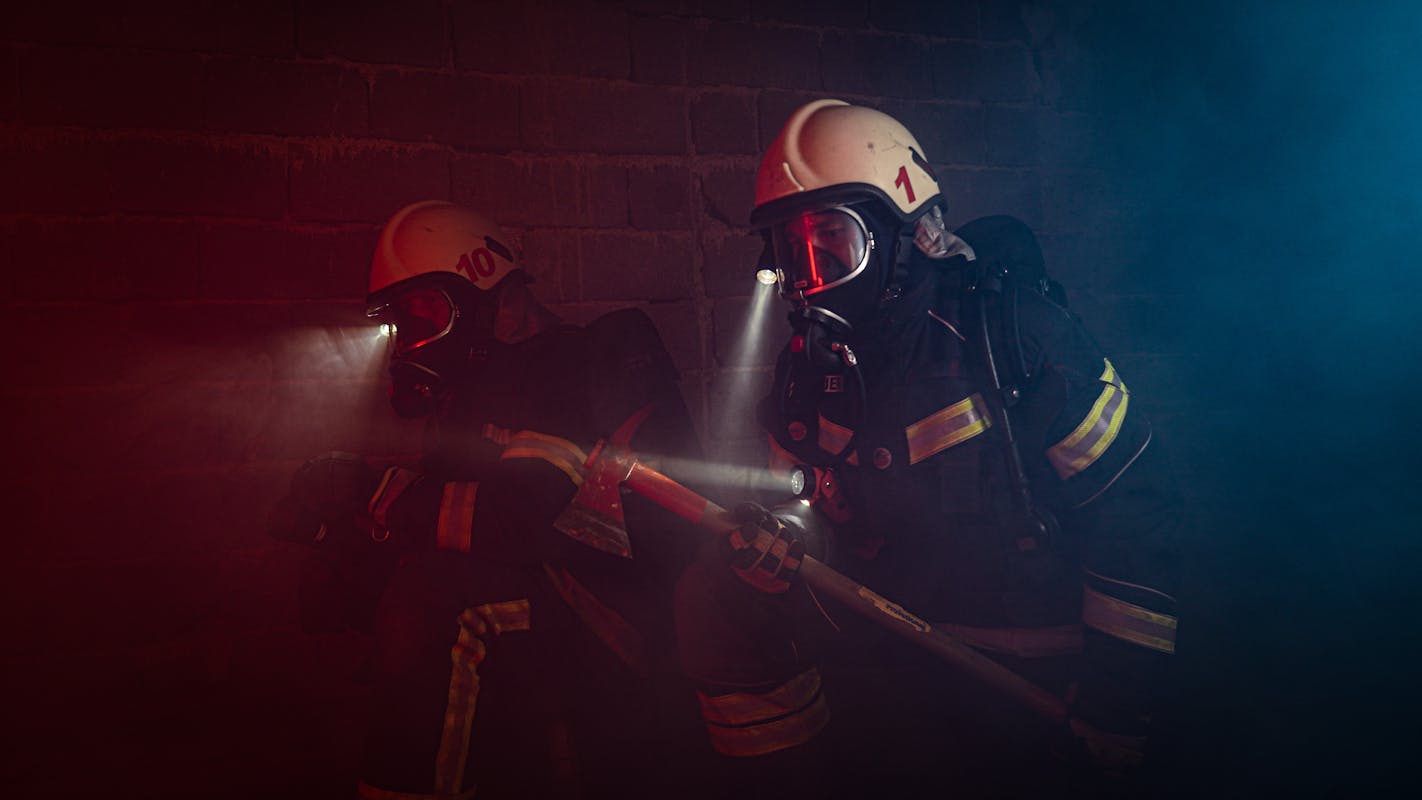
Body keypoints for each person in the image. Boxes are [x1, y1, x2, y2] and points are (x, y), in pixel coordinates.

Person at [674, 100, 1183, 797]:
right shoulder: (807, 375)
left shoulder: (1015, 338)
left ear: (901, 233)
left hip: (1033, 678)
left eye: (832, 244)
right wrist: (782, 544)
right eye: (792, 254)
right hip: (889, 659)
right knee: (714, 592)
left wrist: (1117, 707)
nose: (809, 276)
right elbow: (799, 509)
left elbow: (1137, 511)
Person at [269, 201, 706, 799]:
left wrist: (384, 495)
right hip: (542, 596)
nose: (412, 343)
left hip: (616, 607)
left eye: (426, 316)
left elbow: (537, 523)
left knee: (430, 601)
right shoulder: (475, 392)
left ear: (485, 293)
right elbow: (455, 515)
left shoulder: (592, 362)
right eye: (403, 324)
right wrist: (349, 539)